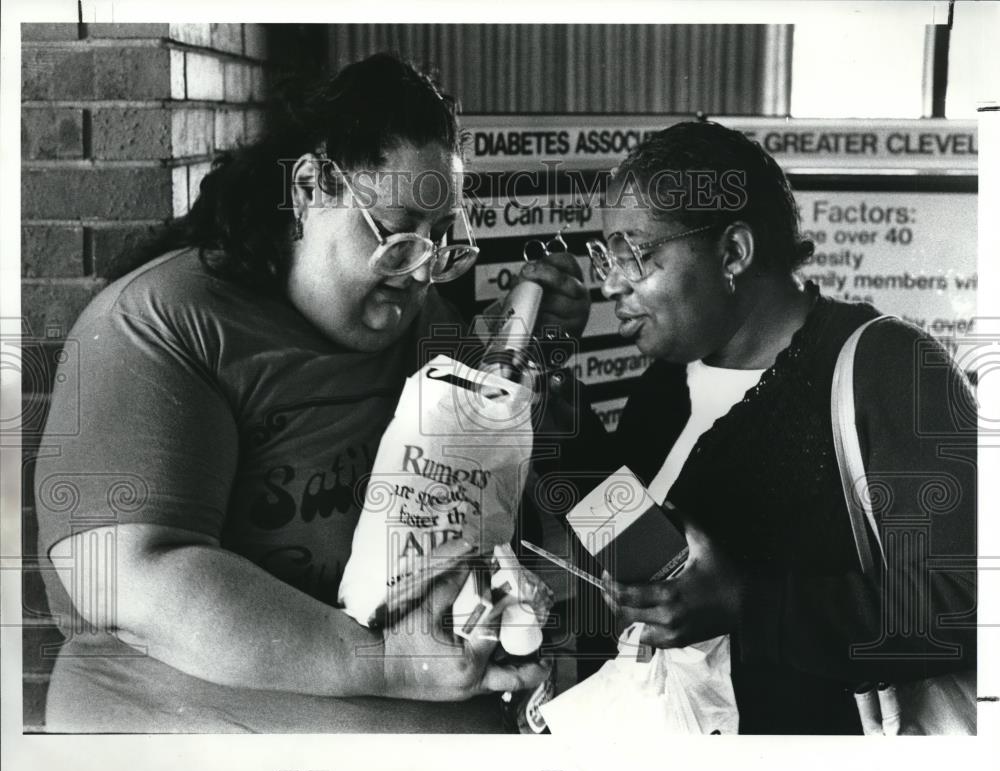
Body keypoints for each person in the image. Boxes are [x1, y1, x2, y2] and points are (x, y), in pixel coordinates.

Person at [33, 54, 589, 733]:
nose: (417, 275)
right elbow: (126, 577)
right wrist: (386, 661)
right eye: (395, 238)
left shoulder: (424, 319)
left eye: (440, 244)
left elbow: (504, 482)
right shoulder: (161, 324)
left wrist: (539, 361)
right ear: (309, 188)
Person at [585, 121, 976, 734]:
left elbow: (966, 607)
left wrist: (748, 603)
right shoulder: (668, 382)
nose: (610, 283)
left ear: (733, 253)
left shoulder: (889, 366)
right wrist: (553, 422)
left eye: (635, 254)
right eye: (604, 256)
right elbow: (635, 550)